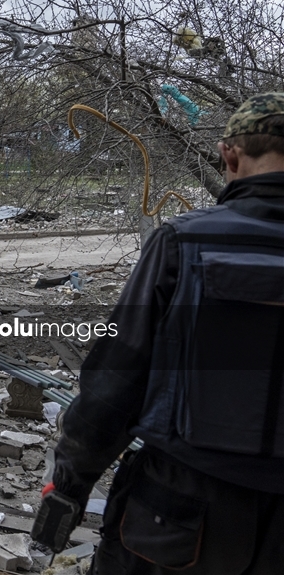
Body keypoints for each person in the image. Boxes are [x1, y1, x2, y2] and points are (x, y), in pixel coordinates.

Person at [42, 93, 284, 573]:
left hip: (180, 514)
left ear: (229, 155)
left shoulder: (184, 241)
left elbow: (115, 381)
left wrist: (68, 488)